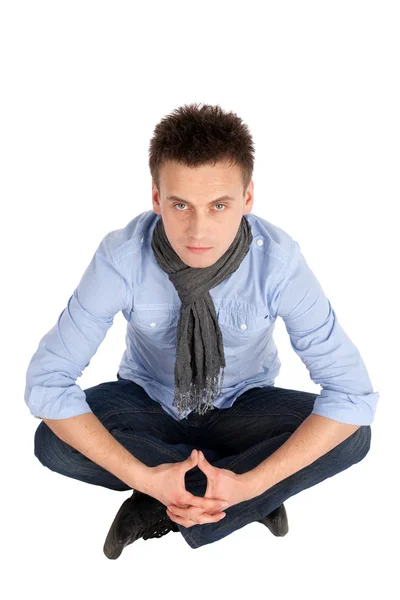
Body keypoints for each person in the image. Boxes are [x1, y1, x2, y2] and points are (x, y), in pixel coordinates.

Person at [25, 102, 379, 558]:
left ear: (248, 198)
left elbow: (351, 394)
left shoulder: (279, 261)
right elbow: (47, 382)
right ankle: (227, 499)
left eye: (218, 205)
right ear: (156, 198)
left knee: (354, 434)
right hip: (150, 403)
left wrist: (252, 482)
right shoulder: (122, 257)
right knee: (52, 442)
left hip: (243, 407)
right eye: (180, 205)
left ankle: (200, 501)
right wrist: (146, 476)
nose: (199, 229)